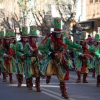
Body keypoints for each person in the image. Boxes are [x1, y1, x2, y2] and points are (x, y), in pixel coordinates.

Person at [40, 17, 69, 99]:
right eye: (57, 33)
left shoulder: (64, 39)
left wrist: (79, 46)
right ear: (54, 34)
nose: (58, 34)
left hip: (60, 59)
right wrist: (50, 53)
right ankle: (48, 77)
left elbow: (71, 44)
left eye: (59, 33)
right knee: (48, 73)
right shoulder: (50, 40)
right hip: (51, 58)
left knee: (61, 77)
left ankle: (64, 92)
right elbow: (45, 48)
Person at [24, 25, 41, 91]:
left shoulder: (38, 44)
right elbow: (25, 52)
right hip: (29, 59)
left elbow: (40, 50)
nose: (34, 38)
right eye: (32, 37)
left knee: (38, 73)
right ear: (30, 38)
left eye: (35, 37)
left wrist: (39, 53)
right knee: (30, 73)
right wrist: (31, 51)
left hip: (36, 59)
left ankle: (38, 86)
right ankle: (30, 85)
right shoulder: (27, 45)